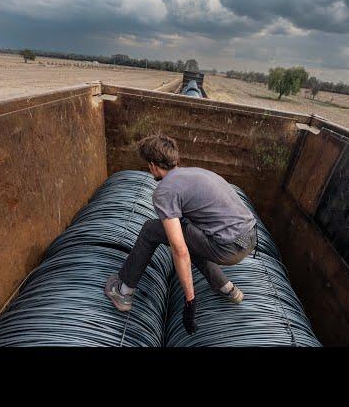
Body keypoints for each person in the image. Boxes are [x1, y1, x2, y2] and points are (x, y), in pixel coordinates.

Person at [104, 134, 257, 334]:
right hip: (251, 237)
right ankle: (227, 288)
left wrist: (190, 300)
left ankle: (124, 291)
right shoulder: (197, 173)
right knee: (188, 235)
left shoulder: (165, 191)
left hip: (227, 248)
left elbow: (180, 250)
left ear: (152, 165)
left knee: (152, 229)